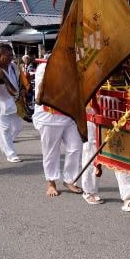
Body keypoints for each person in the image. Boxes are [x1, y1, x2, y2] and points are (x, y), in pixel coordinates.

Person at [32, 60, 84, 197]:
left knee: (76, 147)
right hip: (49, 117)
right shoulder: (44, 67)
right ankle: (51, 183)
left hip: (69, 116)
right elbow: (42, 94)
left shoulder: (74, 67)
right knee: (51, 152)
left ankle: (70, 179)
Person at [80, 100, 130, 210]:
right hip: (93, 106)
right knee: (93, 148)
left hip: (118, 105)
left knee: (123, 147)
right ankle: (89, 191)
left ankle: (128, 196)